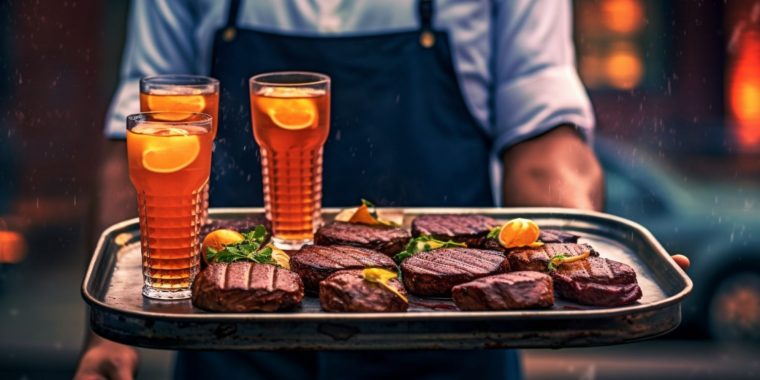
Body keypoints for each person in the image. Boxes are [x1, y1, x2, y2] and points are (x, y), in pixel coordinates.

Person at [76, 1, 690, 379]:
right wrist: (107, 337)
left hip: (452, 342)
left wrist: (572, 264)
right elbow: (146, 141)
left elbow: (545, 141)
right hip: (236, 342)